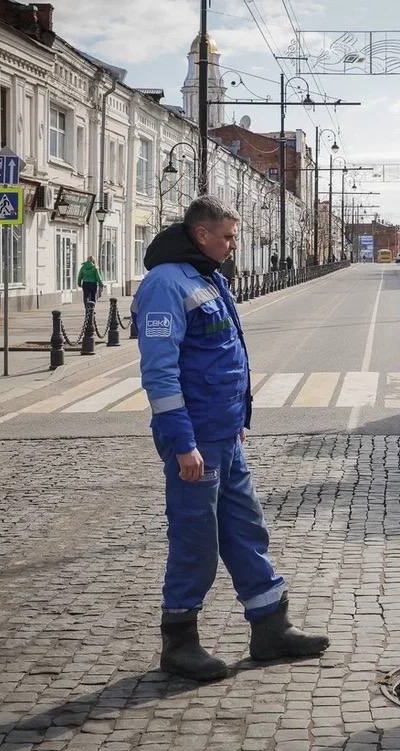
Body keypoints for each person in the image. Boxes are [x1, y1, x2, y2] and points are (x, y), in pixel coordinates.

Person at [134, 195, 328, 682]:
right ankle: (179, 641)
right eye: (227, 236)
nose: (232, 245)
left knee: (245, 527)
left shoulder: (207, 276)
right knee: (195, 536)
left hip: (223, 433)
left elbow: (226, 353)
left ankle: (270, 627)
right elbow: (160, 374)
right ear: (202, 234)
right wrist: (183, 444)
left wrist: (239, 415)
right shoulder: (166, 284)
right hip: (195, 436)